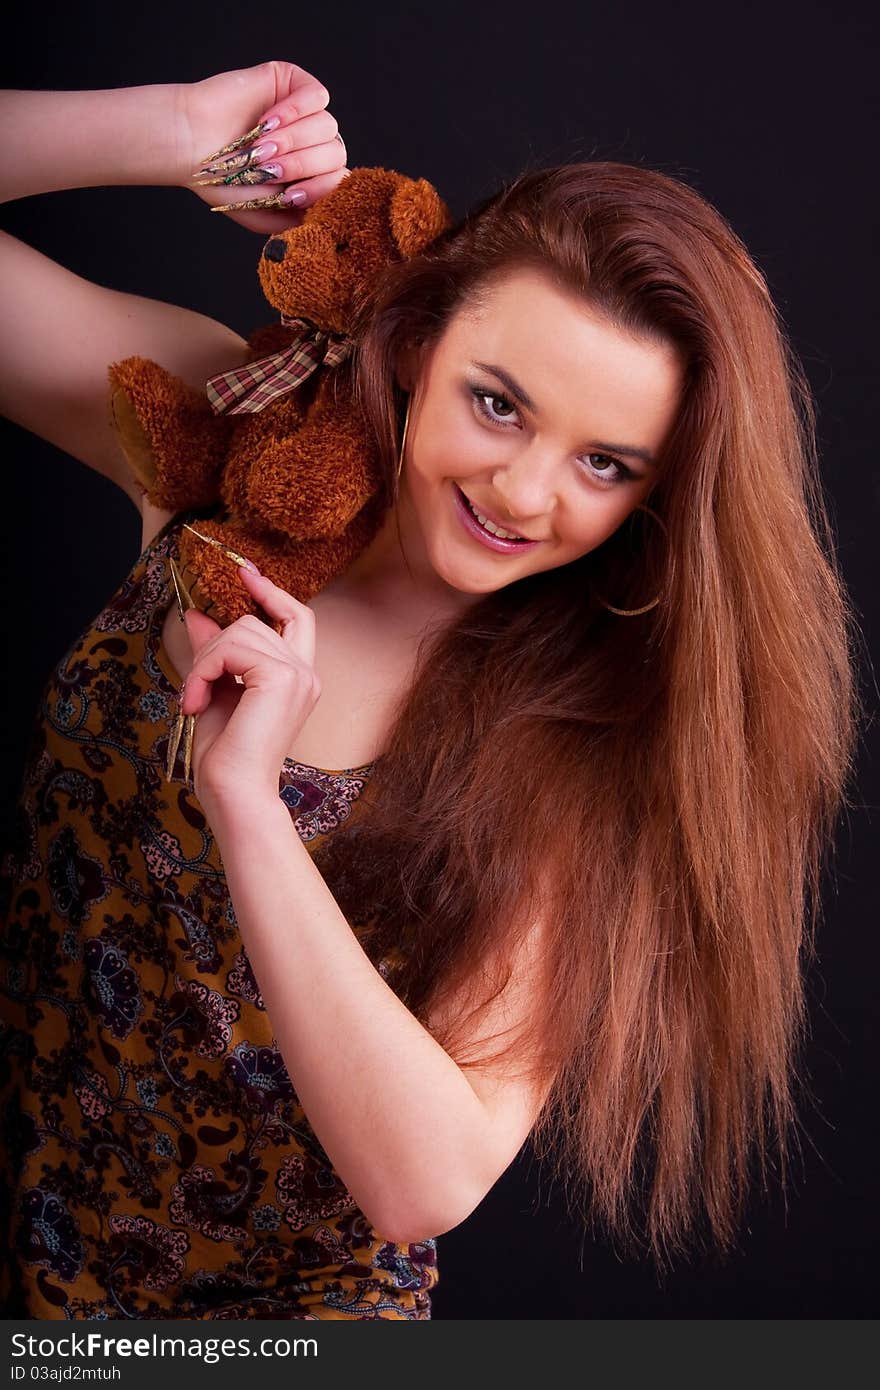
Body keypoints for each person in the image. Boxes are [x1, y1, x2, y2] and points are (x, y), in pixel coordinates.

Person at [0, 63, 861, 1320]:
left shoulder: (581, 747)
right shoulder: (220, 449)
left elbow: (425, 1180)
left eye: (605, 463)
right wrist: (171, 132)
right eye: (497, 404)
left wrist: (249, 805)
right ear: (414, 341)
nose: (523, 494)